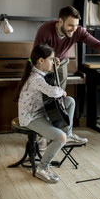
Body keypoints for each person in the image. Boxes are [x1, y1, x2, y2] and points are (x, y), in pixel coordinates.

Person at [34, 5, 100, 150]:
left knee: (58, 100)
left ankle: (60, 134)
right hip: (44, 64)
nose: (73, 29)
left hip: (61, 64)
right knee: (43, 99)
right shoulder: (45, 30)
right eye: (70, 25)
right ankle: (40, 135)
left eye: (76, 26)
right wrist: (48, 61)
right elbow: (37, 54)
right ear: (60, 21)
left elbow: (95, 43)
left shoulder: (77, 30)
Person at [15, 44, 88, 183]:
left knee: (70, 102)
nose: (53, 62)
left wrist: (54, 67)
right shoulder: (35, 78)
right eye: (51, 59)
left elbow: (49, 82)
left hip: (41, 111)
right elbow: (53, 91)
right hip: (31, 117)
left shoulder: (39, 73)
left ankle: (69, 133)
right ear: (41, 60)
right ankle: (42, 168)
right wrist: (62, 91)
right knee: (60, 137)